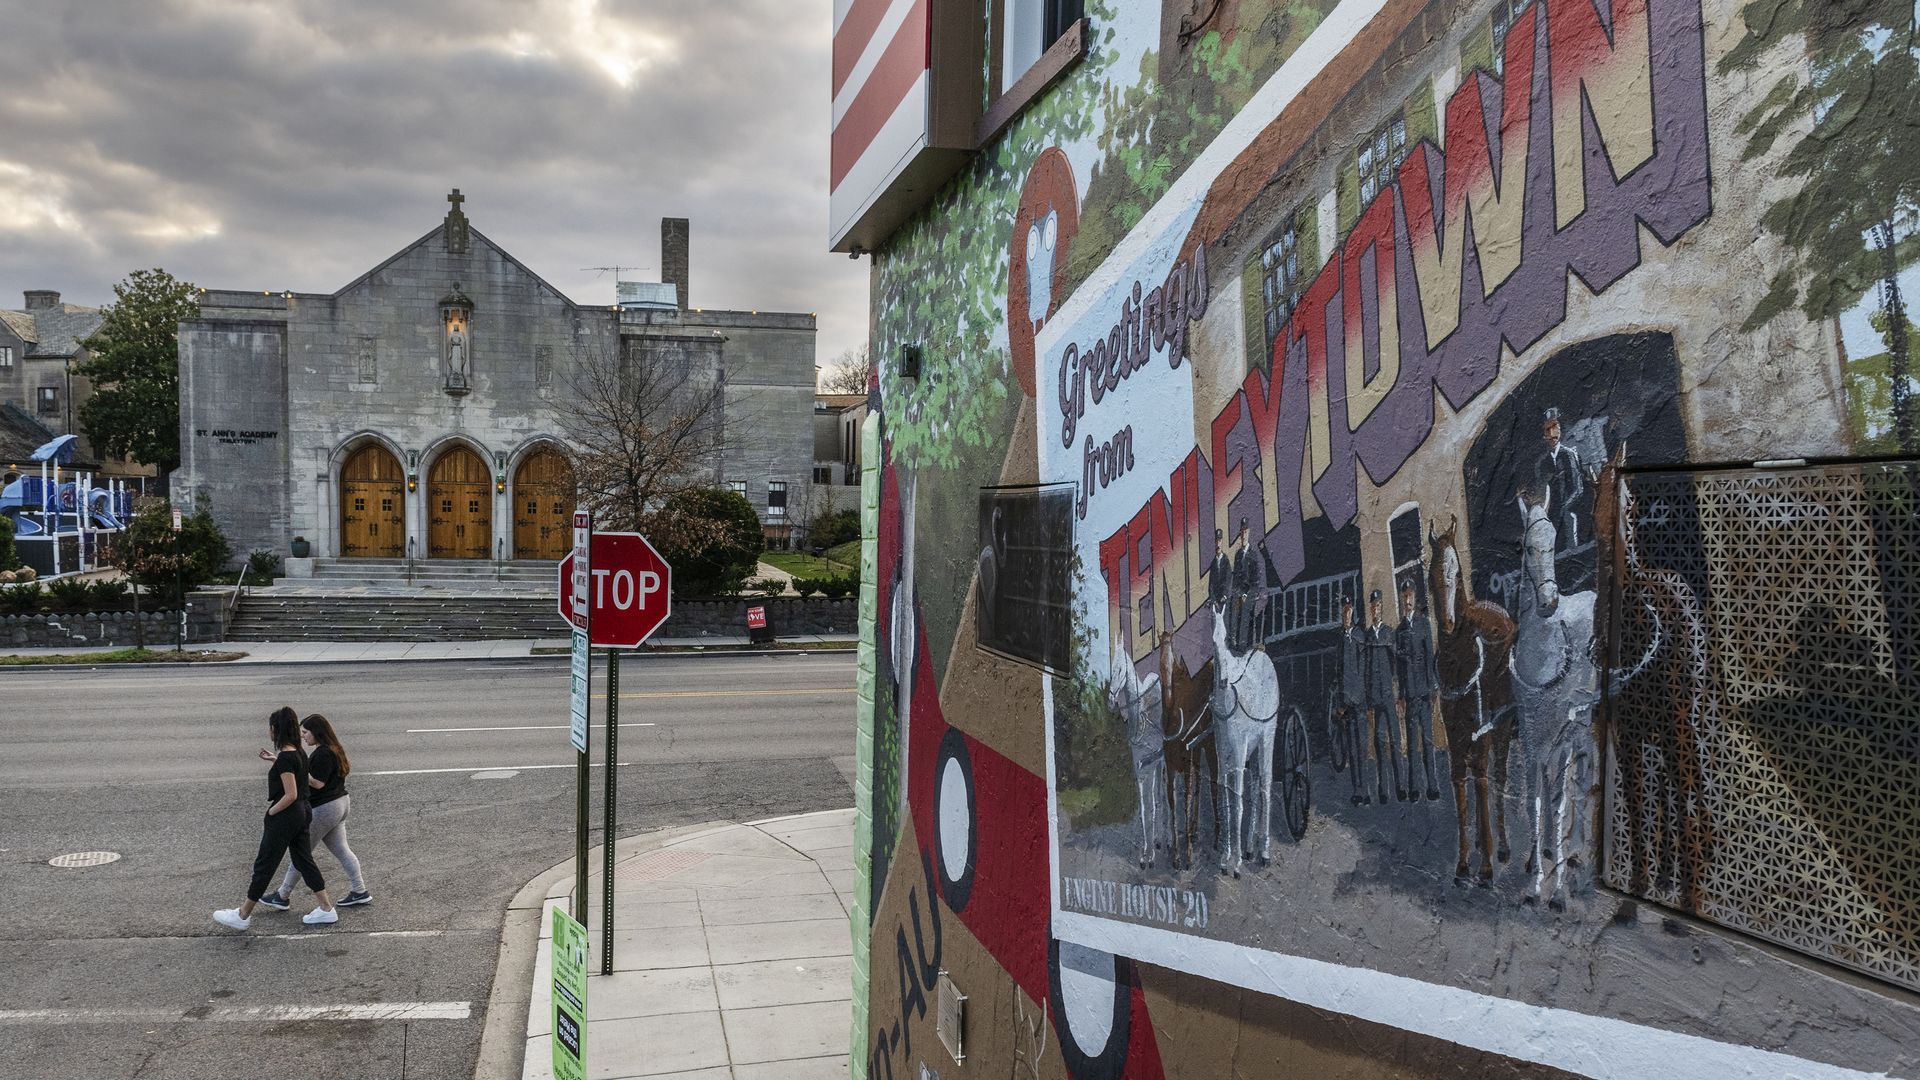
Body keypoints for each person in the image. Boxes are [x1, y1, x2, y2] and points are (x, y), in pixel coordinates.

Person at [213, 707, 337, 930]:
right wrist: (276, 761)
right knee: (303, 860)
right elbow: (297, 778)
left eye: (270, 728)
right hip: (303, 812)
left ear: (276, 731)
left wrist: (271, 812)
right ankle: (326, 908)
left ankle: (243, 915)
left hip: (287, 815)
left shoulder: (286, 758)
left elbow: (290, 794)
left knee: (265, 864)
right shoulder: (298, 753)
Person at [258, 714, 371, 911]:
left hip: (325, 808)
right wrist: (280, 760)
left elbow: (318, 783)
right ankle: (359, 890)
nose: (302, 736)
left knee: (301, 854)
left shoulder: (323, 753)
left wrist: (294, 770)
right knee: (342, 850)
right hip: (340, 802)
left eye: (305, 732)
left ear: (316, 732)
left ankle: (282, 895)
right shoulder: (334, 749)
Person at [1395, 583, 1442, 800]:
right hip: (1410, 695)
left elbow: (1430, 658)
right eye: (1404, 596)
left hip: (1424, 692)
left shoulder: (1423, 625)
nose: (1407, 600)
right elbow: (1400, 668)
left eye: (1410, 595)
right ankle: (1415, 788)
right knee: (1412, 744)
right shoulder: (1400, 631)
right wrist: (1401, 696)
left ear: (1415, 597)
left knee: (1428, 740)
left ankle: (1432, 786)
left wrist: (1432, 687)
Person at [1364, 589, 1406, 803]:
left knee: (1395, 741)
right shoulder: (1368, 636)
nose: (1375, 610)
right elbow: (1366, 671)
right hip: (1375, 698)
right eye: (1373, 607)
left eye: (1378, 606)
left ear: (1382, 608)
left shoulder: (1389, 633)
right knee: (1379, 743)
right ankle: (1383, 788)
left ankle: (1400, 786)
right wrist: (1369, 704)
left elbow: (1397, 667)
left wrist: (1399, 697)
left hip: (1389, 695)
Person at [1339, 595, 1370, 805]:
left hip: (1360, 700)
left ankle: (1365, 790)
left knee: (1362, 747)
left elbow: (1366, 668)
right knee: (1352, 748)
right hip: (1347, 702)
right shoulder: (1340, 639)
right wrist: (1340, 701)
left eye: (1349, 610)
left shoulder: (1360, 636)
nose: (1346, 615)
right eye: (1343, 612)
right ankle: (1356, 790)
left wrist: (1366, 697)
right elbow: (1338, 670)